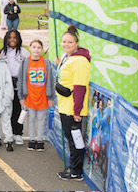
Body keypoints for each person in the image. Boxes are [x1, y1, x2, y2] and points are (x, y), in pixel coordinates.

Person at [55, 25, 91, 182]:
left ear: (77, 43)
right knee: (69, 137)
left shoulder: (80, 61)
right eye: (64, 42)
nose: (66, 44)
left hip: (72, 108)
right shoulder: (67, 57)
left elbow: (80, 87)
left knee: (74, 139)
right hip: (64, 105)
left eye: (70, 42)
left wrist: (77, 110)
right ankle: (72, 167)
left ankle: (76, 171)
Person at [18, 40, 55, 152]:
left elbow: (50, 80)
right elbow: (21, 80)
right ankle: (32, 140)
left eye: (39, 47)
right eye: (34, 47)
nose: (36, 50)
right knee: (31, 119)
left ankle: (40, 140)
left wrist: (51, 97)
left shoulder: (46, 62)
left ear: (42, 49)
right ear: (29, 48)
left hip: (43, 96)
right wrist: (21, 97)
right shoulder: (25, 62)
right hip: (30, 96)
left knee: (41, 119)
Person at [0, 29, 29, 145]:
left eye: (14, 38)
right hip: (7, 85)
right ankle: (9, 133)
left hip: (19, 85)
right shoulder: (3, 53)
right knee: (8, 111)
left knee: (18, 110)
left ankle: (18, 133)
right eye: (10, 38)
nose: (12, 40)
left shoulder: (24, 52)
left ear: (18, 39)